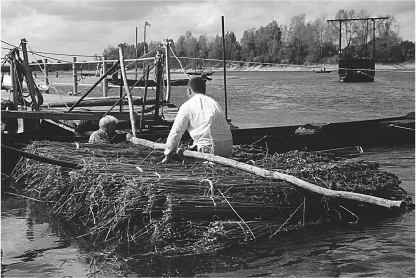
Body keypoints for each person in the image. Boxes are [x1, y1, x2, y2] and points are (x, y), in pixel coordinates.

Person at [162, 76, 233, 163]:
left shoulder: (187, 106)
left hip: (209, 148)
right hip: (227, 147)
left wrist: (168, 155)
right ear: (204, 90)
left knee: (185, 160)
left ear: (189, 90)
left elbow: (176, 133)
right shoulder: (214, 103)